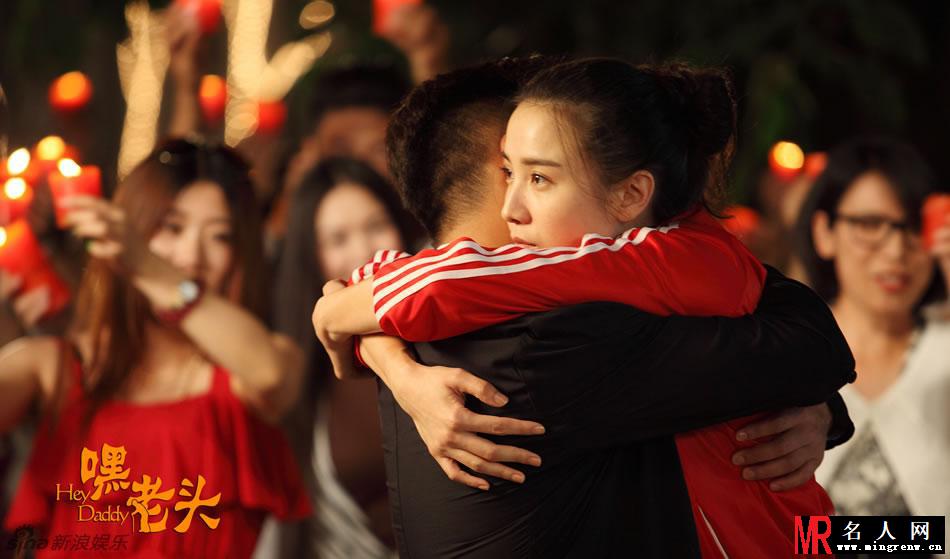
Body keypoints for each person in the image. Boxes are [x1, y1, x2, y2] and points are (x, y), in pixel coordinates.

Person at [313, 58, 854, 557]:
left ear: (630, 193)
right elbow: (803, 348)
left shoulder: (629, 282)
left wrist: (364, 338)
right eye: (511, 171)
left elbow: (798, 345)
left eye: (540, 177)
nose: (515, 205)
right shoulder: (549, 334)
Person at [1, 139, 310, 558]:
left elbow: (271, 374)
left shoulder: (246, 368)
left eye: (220, 236)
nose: (192, 256)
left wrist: (150, 266)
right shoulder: (55, 365)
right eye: (172, 227)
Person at [267, 157, 418, 558]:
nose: (365, 251)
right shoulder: (306, 368)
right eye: (338, 239)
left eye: (376, 225)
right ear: (311, 258)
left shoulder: (444, 332)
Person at [798, 137, 950, 520]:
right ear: (824, 232)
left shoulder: (943, 349)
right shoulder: (783, 353)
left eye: (913, 227)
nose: (896, 251)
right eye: (869, 224)